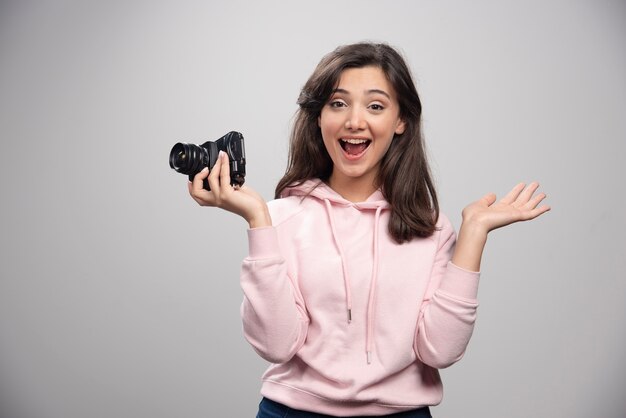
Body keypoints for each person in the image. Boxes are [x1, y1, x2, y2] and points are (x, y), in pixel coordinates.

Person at [187, 42, 550, 417]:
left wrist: (473, 234)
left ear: (401, 121)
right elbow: (276, 345)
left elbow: (440, 351)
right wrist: (258, 220)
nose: (354, 121)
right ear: (318, 117)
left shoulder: (429, 228)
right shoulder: (278, 218)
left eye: (375, 106)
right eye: (338, 103)